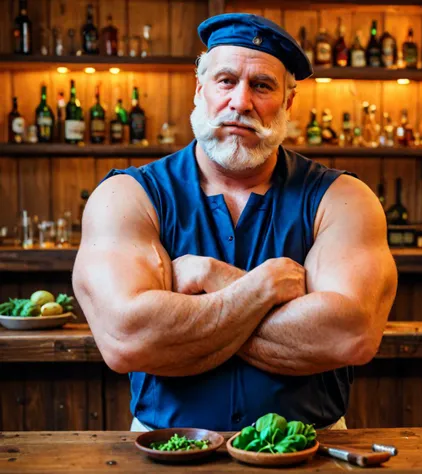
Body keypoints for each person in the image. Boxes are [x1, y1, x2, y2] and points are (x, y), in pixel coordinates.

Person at [72, 13, 397, 432]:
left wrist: (213, 279)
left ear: (287, 102)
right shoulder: (127, 197)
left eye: (261, 86)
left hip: (308, 451)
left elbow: (348, 334)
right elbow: (128, 337)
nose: (240, 102)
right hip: (166, 451)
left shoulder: (343, 199)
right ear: (200, 90)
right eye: (226, 80)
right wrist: (266, 288)